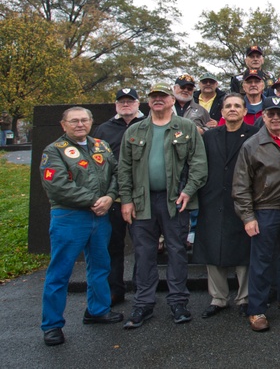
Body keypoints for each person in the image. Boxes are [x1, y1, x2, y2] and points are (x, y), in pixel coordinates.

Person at [119, 83, 207, 329]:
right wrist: (126, 200)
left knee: (177, 251)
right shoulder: (135, 131)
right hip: (141, 202)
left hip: (174, 202)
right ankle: (143, 304)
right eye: (154, 96)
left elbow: (199, 164)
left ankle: (178, 301)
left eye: (163, 96)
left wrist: (188, 191)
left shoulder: (187, 128)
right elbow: (124, 169)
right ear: (148, 102)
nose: (158, 100)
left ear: (171, 100)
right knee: (144, 253)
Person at [39, 107, 122, 346]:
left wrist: (110, 196)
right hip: (70, 217)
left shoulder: (101, 146)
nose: (79, 124)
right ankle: (52, 325)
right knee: (60, 272)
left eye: (84, 120)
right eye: (74, 121)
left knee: (100, 266)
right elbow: (57, 186)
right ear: (63, 125)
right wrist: (93, 201)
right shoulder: (54, 151)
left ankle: (97, 310)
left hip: (101, 215)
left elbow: (116, 174)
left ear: (91, 122)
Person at [232, 97, 280, 332]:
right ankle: (256, 309)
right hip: (265, 210)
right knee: (261, 262)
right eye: (271, 114)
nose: (276, 118)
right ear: (263, 116)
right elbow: (240, 184)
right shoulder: (252, 145)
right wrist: (247, 216)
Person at [191, 93, 257, 319]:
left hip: (242, 198)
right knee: (213, 246)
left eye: (237, 106)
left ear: (244, 111)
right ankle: (218, 298)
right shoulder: (210, 137)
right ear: (221, 111)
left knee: (243, 249)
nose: (232, 109)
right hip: (213, 198)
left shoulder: (254, 135)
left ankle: (244, 297)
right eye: (228, 105)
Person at [92, 87, 144, 306]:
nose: (126, 104)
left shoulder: (148, 125)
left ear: (138, 103)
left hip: (141, 195)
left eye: (130, 101)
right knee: (113, 245)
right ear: (115, 105)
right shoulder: (103, 130)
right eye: (121, 101)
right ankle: (115, 289)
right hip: (112, 196)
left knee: (143, 246)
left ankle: (142, 289)